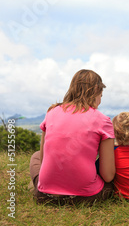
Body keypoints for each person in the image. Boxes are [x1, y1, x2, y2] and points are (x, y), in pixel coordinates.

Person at [29, 69, 115, 205]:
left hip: (45, 196)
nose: (100, 101)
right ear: (96, 91)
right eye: (101, 96)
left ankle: (45, 185)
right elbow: (108, 176)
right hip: (86, 197)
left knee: (36, 156)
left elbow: (43, 158)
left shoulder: (52, 113)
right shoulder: (103, 120)